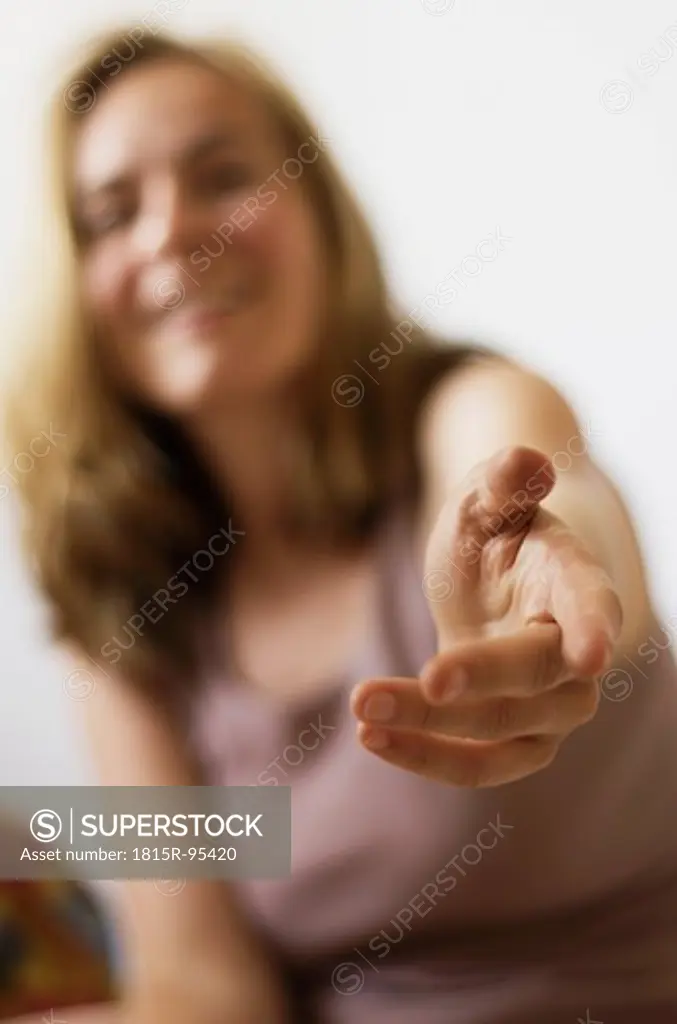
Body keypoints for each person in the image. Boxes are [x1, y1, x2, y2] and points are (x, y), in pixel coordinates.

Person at [4, 24, 677, 1024]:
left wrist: (527, 587)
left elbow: (544, 509)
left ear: (319, 216)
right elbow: (206, 990)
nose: (168, 232)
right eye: (109, 214)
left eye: (223, 175)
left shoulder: (466, 403)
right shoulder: (121, 606)